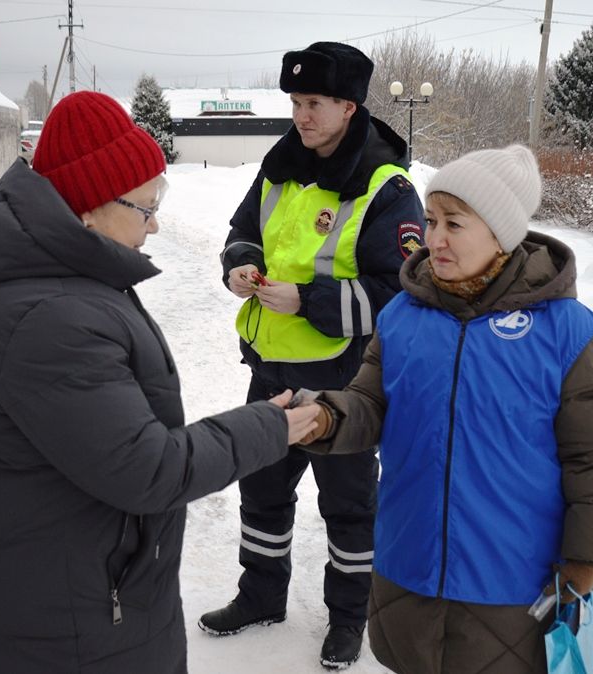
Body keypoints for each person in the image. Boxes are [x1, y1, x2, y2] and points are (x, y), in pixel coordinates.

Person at [0, 90, 320, 674]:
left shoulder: (50, 277)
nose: (157, 221)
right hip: (68, 622)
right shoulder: (49, 317)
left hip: (66, 590)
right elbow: (149, 470)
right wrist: (271, 426)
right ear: (88, 207)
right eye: (144, 206)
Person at [298, 145, 593, 673]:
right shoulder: (402, 316)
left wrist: (586, 561)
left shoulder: (566, 333)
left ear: (500, 232)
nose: (433, 239)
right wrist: (324, 416)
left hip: (509, 583)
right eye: (431, 221)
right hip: (407, 564)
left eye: (454, 224)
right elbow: (370, 402)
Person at [202, 41, 425, 669]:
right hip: (269, 371)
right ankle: (260, 597)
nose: (301, 115)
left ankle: (350, 619)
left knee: (349, 512)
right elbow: (243, 230)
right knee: (263, 494)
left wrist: (309, 302)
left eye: (315, 103)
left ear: (349, 107)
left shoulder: (388, 187)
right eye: (296, 102)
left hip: (343, 387)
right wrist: (241, 266)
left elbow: (397, 293)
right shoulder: (278, 166)